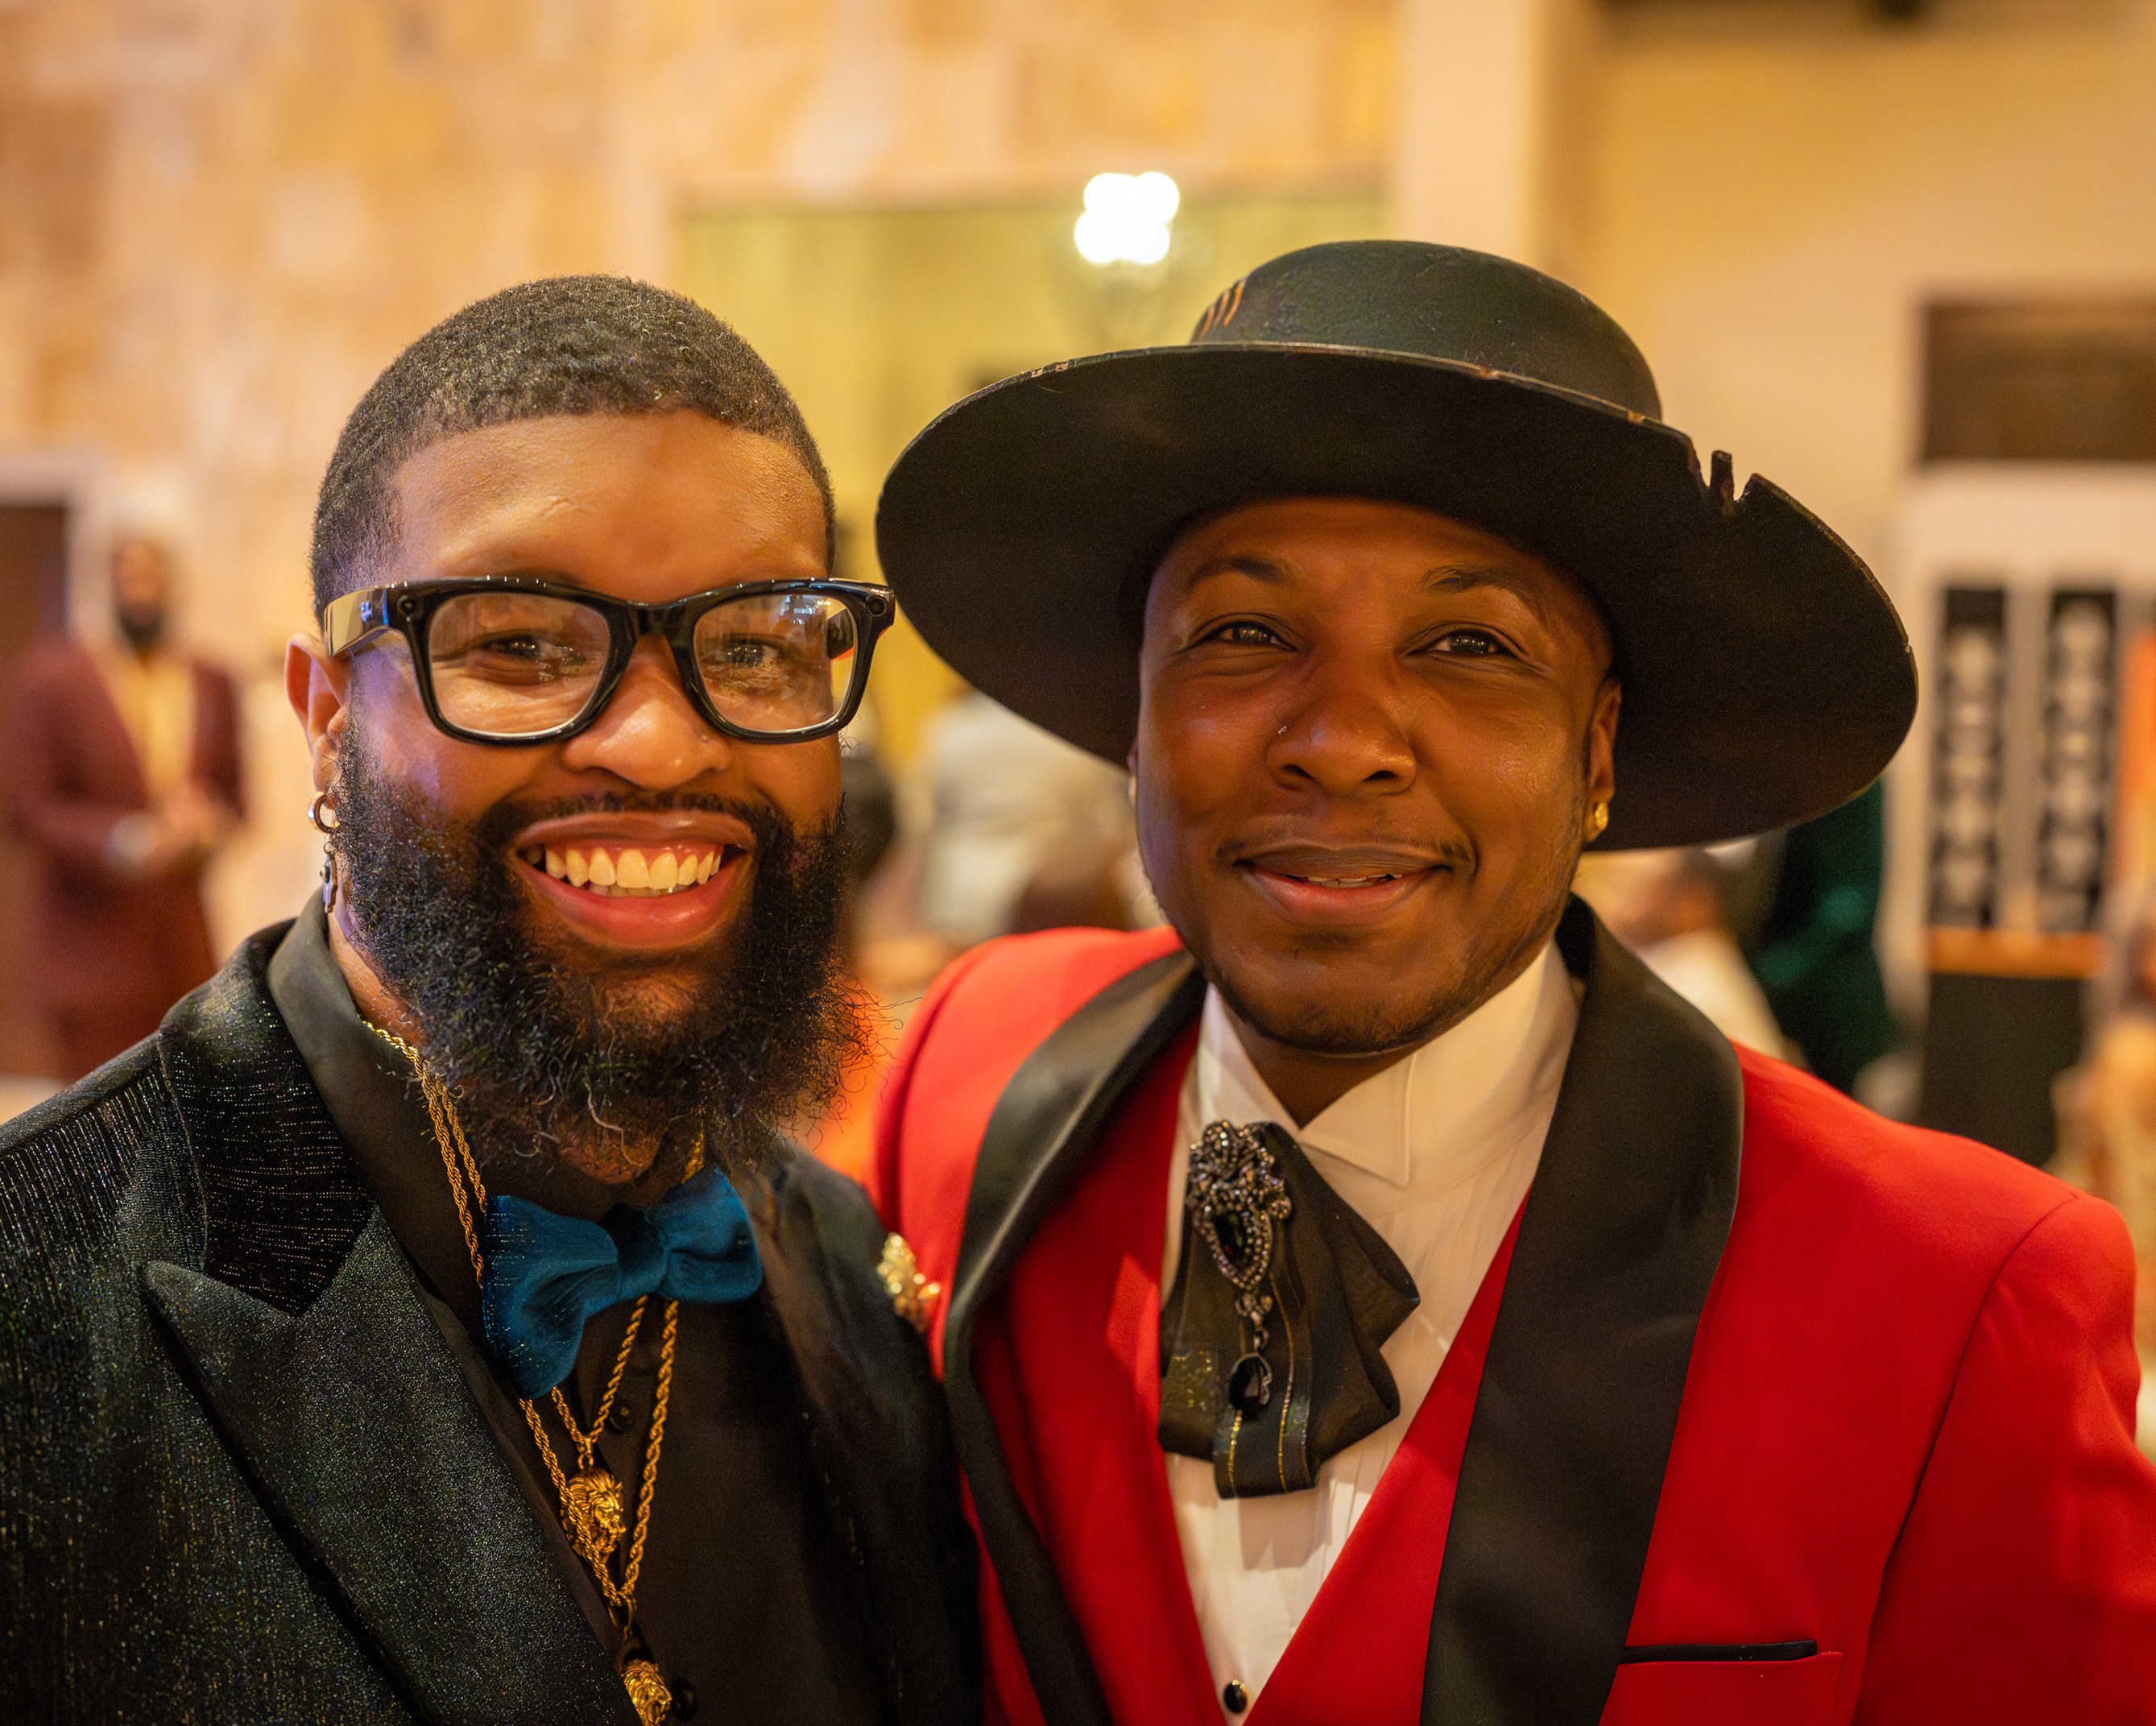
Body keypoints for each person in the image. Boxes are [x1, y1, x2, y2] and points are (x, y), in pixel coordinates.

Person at [870, 242, 2156, 1724]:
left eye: (1470, 644)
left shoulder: (1952, 1298)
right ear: (1138, 715)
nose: (1342, 739)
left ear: (1597, 750)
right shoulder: (972, 1073)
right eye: (1242, 632)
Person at [0, 279, 975, 1725]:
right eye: (520, 643)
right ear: (327, 714)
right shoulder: (36, 1305)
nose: (660, 746)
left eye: (756, 643)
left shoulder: (850, 1272)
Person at [2, 536, 242, 1078]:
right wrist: (125, 839)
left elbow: (233, 798)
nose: (142, 594)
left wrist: (204, 825)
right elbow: (26, 809)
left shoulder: (210, 680)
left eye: (153, 579)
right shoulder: (54, 679)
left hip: (181, 950)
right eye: (130, 579)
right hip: (90, 951)